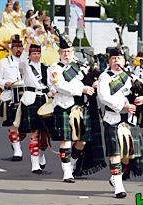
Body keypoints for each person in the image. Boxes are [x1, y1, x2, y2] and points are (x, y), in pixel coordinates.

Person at [97, 47, 143, 198]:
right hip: (113, 118)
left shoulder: (131, 77)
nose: (116, 61)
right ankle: (119, 186)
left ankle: (116, 177)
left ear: (124, 61)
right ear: (109, 61)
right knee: (115, 153)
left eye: (119, 58)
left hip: (130, 120)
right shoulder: (105, 77)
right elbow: (103, 97)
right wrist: (123, 106)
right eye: (113, 59)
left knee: (127, 156)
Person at [49, 31, 94, 183]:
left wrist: (92, 84)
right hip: (62, 106)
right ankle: (66, 171)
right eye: (63, 52)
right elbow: (60, 86)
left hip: (79, 107)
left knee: (81, 141)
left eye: (69, 51)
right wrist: (81, 90)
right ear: (59, 53)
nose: (66, 54)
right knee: (66, 140)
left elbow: (87, 82)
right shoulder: (55, 68)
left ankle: (73, 163)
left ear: (73, 52)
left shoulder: (80, 67)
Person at [18, 35, 55, 173]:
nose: (36, 56)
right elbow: (21, 60)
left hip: (44, 100)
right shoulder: (25, 67)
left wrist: (52, 91)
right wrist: (27, 44)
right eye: (34, 53)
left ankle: (41, 153)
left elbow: (51, 84)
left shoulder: (46, 68)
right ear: (30, 54)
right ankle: (34, 163)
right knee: (34, 132)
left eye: (38, 53)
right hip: (31, 99)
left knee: (45, 134)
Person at [0, 36, 26, 161]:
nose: (18, 49)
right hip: (9, 97)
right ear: (11, 49)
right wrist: (4, 83)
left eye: (20, 47)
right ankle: (17, 152)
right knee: (13, 125)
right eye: (16, 47)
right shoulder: (4, 62)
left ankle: (15, 141)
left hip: (26, 97)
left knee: (24, 128)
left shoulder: (27, 62)